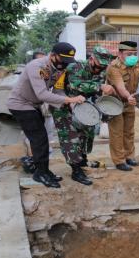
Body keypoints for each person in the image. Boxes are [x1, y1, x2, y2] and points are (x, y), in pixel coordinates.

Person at [7, 42, 86, 188]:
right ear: (53, 55)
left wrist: (69, 102)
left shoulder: (59, 67)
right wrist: (70, 99)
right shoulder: (36, 66)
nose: (64, 64)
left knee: (41, 139)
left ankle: (44, 171)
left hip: (33, 104)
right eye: (62, 59)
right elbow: (42, 94)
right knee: (39, 139)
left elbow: (57, 91)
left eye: (67, 61)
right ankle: (40, 173)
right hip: (20, 104)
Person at [51, 46, 115, 185]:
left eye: (104, 66)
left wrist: (103, 111)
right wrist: (100, 87)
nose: (101, 69)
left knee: (86, 134)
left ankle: (82, 161)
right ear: (92, 59)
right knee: (70, 138)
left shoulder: (101, 71)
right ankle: (76, 170)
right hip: (63, 106)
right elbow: (76, 85)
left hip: (82, 107)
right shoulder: (75, 66)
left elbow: (95, 93)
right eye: (99, 65)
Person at [107, 41, 139, 171]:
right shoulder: (113, 67)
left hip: (131, 101)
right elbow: (120, 86)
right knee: (117, 132)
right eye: (129, 54)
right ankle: (119, 160)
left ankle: (129, 157)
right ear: (119, 54)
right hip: (115, 102)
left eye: (135, 53)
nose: (133, 56)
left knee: (129, 132)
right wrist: (128, 96)